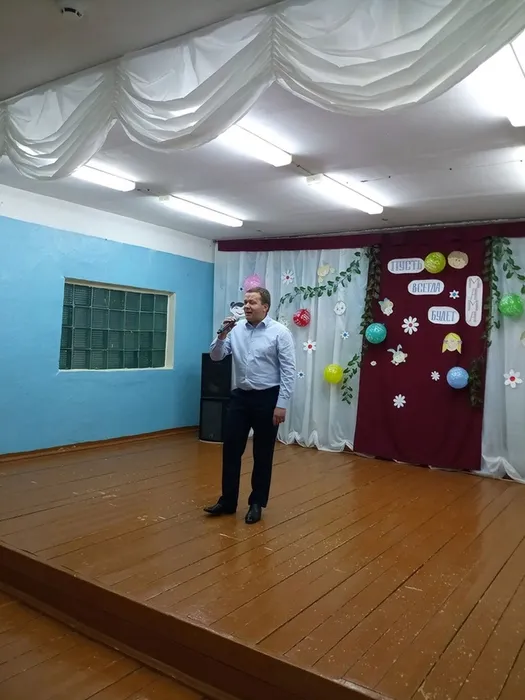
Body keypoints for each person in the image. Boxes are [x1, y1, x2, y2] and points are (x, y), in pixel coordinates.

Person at [204, 287, 295, 524]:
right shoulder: (235, 330)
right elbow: (215, 356)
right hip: (240, 397)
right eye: (245, 302)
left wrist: (282, 404)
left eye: (252, 302)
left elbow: (288, 371)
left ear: (265, 307)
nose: (246, 306)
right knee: (231, 450)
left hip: (268, 398)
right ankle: (227, 501)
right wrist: (222, 334)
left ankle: (256, 503)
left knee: (262, 453)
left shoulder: (280, 332)